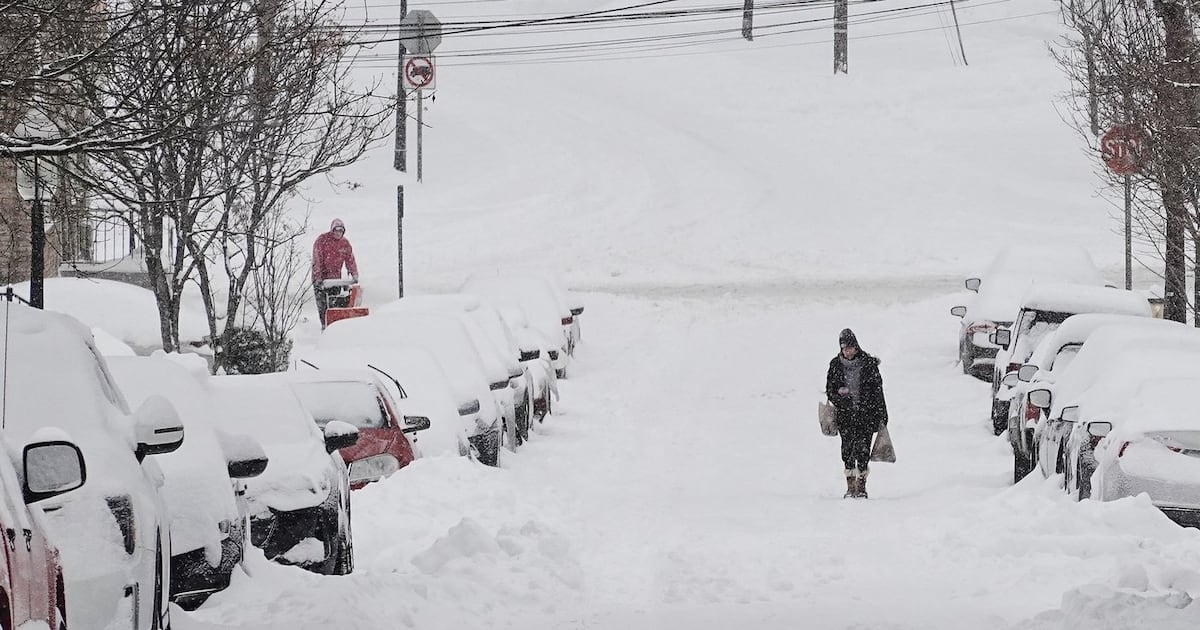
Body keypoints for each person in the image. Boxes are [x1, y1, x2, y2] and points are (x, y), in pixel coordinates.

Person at [825, 328, 888, 499]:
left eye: (851, 347)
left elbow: (878, 391)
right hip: (845, 416)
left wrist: (882, 414)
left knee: (863, 449)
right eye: (845, 348)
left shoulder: (868, 364)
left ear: (856, 347)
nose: (848, 351)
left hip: (866, 414)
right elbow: (830, 390)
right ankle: (850, 485)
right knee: (847, 449)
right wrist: (840, 397)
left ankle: (861, 485)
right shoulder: (835, 365)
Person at [311, 218, 359, 329]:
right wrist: (318, 277)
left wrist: (354, 274)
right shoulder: (322, 240)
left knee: (336, 304)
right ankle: (325, 325)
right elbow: (316, 259)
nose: (338, 233)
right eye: (336, 230)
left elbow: (350, 259)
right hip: (321, 280)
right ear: (332, 230)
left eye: (341, 231)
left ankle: (335, 326)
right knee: (323, 306)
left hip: (335, 279)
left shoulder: (344, 244)